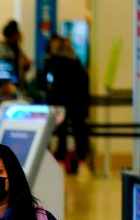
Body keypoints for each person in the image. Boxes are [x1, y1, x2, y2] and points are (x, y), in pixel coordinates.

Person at [41, 36, 90, 173]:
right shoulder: (76, 62)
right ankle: (81, 161)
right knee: (78, 131)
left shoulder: (52, 61)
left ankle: (60, 160)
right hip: (76, 103)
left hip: (59, 103)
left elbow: (47, 83)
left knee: (60, 133)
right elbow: (84, 83)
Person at [0, 20, 33, 88]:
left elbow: (24, 61)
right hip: (7, 83)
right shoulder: (1, 49)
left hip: (19, 81)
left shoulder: (16, 47)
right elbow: (6, 65)